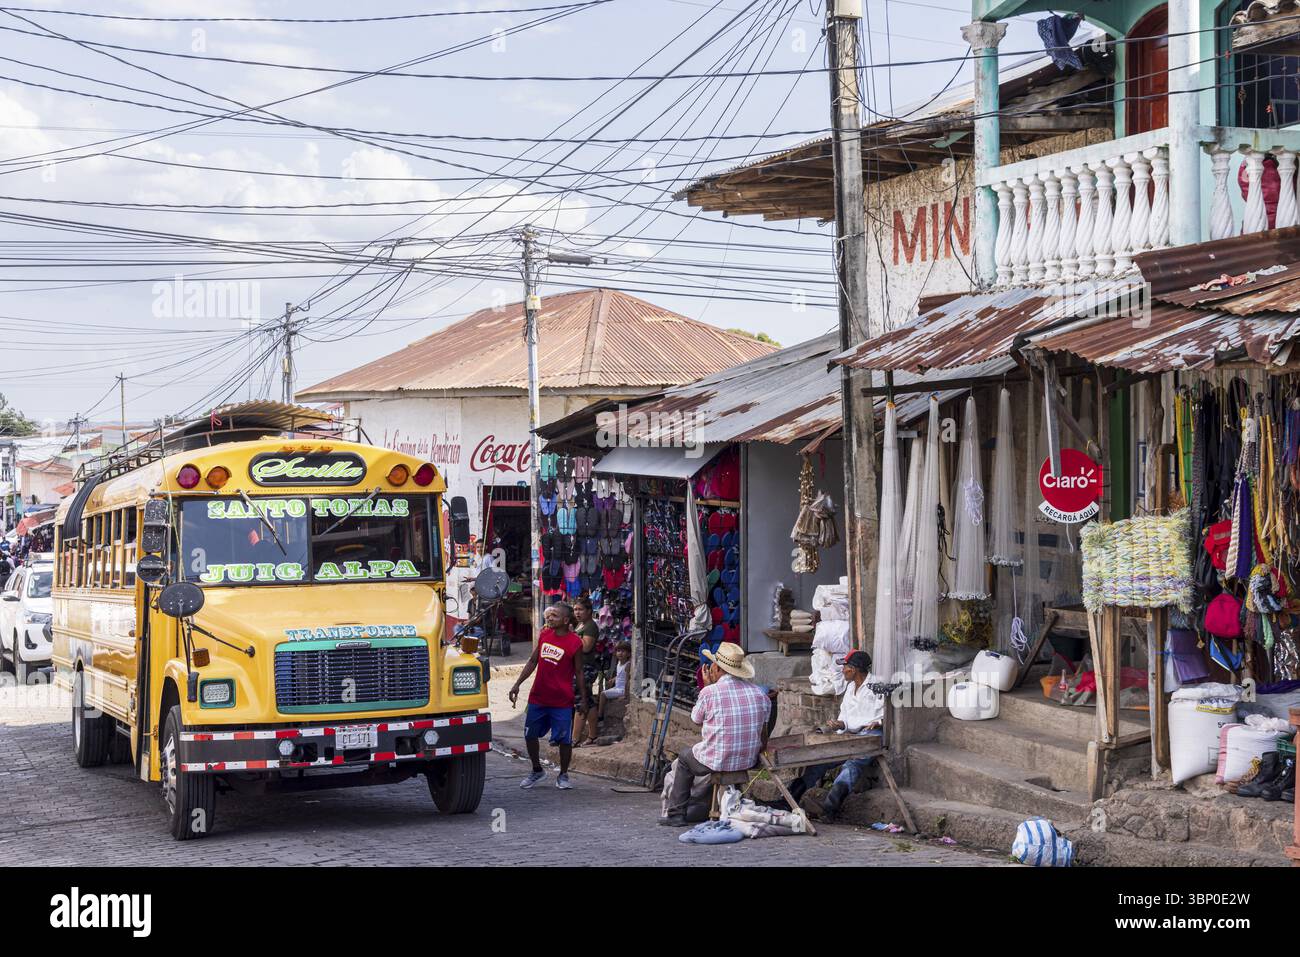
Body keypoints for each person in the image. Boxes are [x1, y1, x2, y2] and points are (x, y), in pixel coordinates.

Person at [659, 641, 770, 826]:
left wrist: (707, 686)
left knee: (685, 758)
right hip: (748, 759)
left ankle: (676, 813)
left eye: (712, 666)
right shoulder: (759, 694)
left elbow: (696, 718)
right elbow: (763, 733)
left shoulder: (710, 693)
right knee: (697, 754)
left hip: (718, 760)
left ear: (717, 668)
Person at [783, 650, 885, 821]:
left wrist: (879, 721)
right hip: (849, 736)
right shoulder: (851, 687)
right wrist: (840, 723)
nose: (843, 670)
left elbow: (886, 712)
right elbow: (845, 718)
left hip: (870, 735)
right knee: (819, 762)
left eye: (845, 666)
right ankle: (789, 800)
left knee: (852, 765)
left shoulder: (877, 685)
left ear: (855, 669)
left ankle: (829, 808)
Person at [509, 603, 587, 790]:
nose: (550, 618)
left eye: (554, 616)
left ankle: (563, 774)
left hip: (561, 700)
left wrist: (584, 698)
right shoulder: (544, 635)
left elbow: (579, 671)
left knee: (564, 740)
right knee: (530, 735)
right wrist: (517, 684)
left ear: (566, 620)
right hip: (538, 697)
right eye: (549, 615)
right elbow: (533, 661)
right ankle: (537, 770)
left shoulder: (575, 642)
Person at [576, 639, 631, 746]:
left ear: (628, 654)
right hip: (617, 687)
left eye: (623, 651)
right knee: (602, 693)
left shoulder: (628, 665)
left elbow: (628, 679)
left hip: (621, 689)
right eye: (618, 651)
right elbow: (620, 675)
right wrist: (613, 679)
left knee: (603, 694)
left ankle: (600, 714)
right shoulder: (619, 664)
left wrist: (625, 695)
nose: (620, 653)